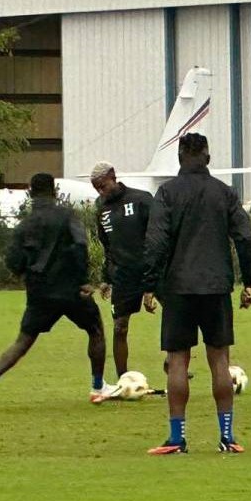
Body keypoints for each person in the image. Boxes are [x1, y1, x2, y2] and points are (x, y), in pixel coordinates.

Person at [142, 133, 251, 455]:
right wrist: (250, 281)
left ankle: (177, 438)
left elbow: (155, 242)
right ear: (207, 157)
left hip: (178, 287)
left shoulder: (167, 193)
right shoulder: (224, 192)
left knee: (177, 360)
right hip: (216, 284)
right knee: (220, 360)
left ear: (179, 157)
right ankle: (226, 436)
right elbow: (246, 237)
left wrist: (150, 284)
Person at [0, 172, 108, 412]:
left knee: (22, 342)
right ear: (55, 192)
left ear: (30, 193)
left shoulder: (24, 225)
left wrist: (28, 275)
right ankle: (97, 388)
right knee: (96, 330)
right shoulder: (67, 216)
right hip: (71, 289)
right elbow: (80, 245)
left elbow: (13, 261)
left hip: (40, 293)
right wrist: (83, 280)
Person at [91, 161, 155, 383]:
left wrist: (152, 282)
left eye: (102, 185)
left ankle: (175, 364)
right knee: (120, 327)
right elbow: (108, 247)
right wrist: (106, 278)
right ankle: (123, 379)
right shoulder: (102, 210)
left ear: (113, 176)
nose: (100, 191)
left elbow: (159, 236)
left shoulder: (142, 200)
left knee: (175, 317)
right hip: (123, 277)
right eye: (96, 188)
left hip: (152, 272)